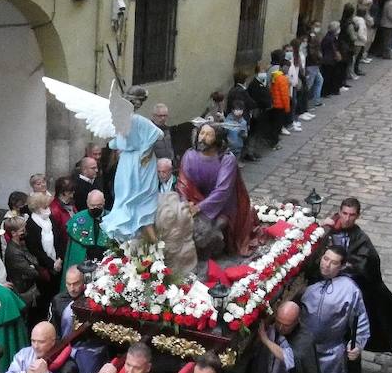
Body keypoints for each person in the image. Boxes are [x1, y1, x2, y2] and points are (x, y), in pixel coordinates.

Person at [322, 197, 392, 352]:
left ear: (358, 216)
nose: (347, 218)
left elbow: (367, 264)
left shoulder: (360, 238)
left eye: (352, 215)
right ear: (339, 212)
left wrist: (346, 267)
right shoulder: (330, 225)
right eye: (345, 213)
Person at [300, 246, 370, 373]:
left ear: (342, 266)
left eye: (334, 263)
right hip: (303, 351)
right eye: (325, 259)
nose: (327, 265)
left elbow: (361, 322)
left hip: (330, 354)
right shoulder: (306, 277)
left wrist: (357, 345)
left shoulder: (349, 290)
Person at [178, 122, 257, 254]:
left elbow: (223, 190)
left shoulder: (226, 159)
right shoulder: (190, 155)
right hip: (196, 200)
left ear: (217, 138)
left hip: (223, 205)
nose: (203, 138)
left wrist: (199, 207)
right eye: (202, 133)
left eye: (209, 135)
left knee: (213, 228)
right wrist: (187, 203)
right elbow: (183, 183)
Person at [99, 89, 165, 242]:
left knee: (125, 199)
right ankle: (152, 244)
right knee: (143, 203)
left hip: (126, 163)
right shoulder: (138, 120)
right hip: (141, 163)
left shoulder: (120, 120)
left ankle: (129, 238)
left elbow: (113, 143)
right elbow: (158, 134)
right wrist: (145, 149)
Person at [60, 191, 111, 288]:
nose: (96, 208)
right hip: (84, 259)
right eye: (92, 205)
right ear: (87, 203)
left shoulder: (112, 218)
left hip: (105, 259)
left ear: (104, 202)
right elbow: (73, 248)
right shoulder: (78, 219)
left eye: (99, 205)